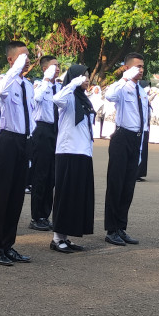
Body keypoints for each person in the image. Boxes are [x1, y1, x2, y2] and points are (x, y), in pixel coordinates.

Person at [0, 42, 35, 266]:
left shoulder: (28, 85)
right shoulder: (3, 81)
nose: (27, 61)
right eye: (21, 57)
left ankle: (9, 244)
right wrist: (16, 67)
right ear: (10, 60)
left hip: (24, 142)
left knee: (16, 197)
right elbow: (1, 90)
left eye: (28, 57)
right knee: (1, 197)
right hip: (7, 140)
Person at [48, 64, 96, 252]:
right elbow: (56, 98)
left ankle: (65, 237)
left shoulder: (84, 99)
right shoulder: (67, 97)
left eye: (87, 76)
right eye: (82, 76)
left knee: (76, 197)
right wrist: (72, 83)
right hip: (68, 151)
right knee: (65, 195)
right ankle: (56, 238)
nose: (86, 79)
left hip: (83, 152)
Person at [103, 52, 149, 246]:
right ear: (126, 67)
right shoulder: (122, 87)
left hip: (136, 139)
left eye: (142, 67)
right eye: (136, 66)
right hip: (122, 137)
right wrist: (124, 78)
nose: (140, 70)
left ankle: (121, 227)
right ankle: (111, 229)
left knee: (128, 186)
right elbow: (109, 95)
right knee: (116, 185)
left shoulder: (142, 90)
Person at [28, 56, 60, 231]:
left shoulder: (60, 86)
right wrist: (47, 79)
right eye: (53, 66)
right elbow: (36, 98)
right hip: (42, 130)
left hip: (57, 131)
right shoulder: (39, 85)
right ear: (44, 69)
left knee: (52, 176)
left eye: (58, 66)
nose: (57, 68)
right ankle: (36, 216)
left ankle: (45, 215)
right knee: (40, 175)